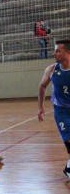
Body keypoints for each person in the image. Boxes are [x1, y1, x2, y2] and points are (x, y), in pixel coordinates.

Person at [38, 39, 70, 179]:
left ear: (68, 53)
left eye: (58, 51)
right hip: (61, 111)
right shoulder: (52, 69)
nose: (54, 53)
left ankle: (68, 168)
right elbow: (42, 86)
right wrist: (40, 107)